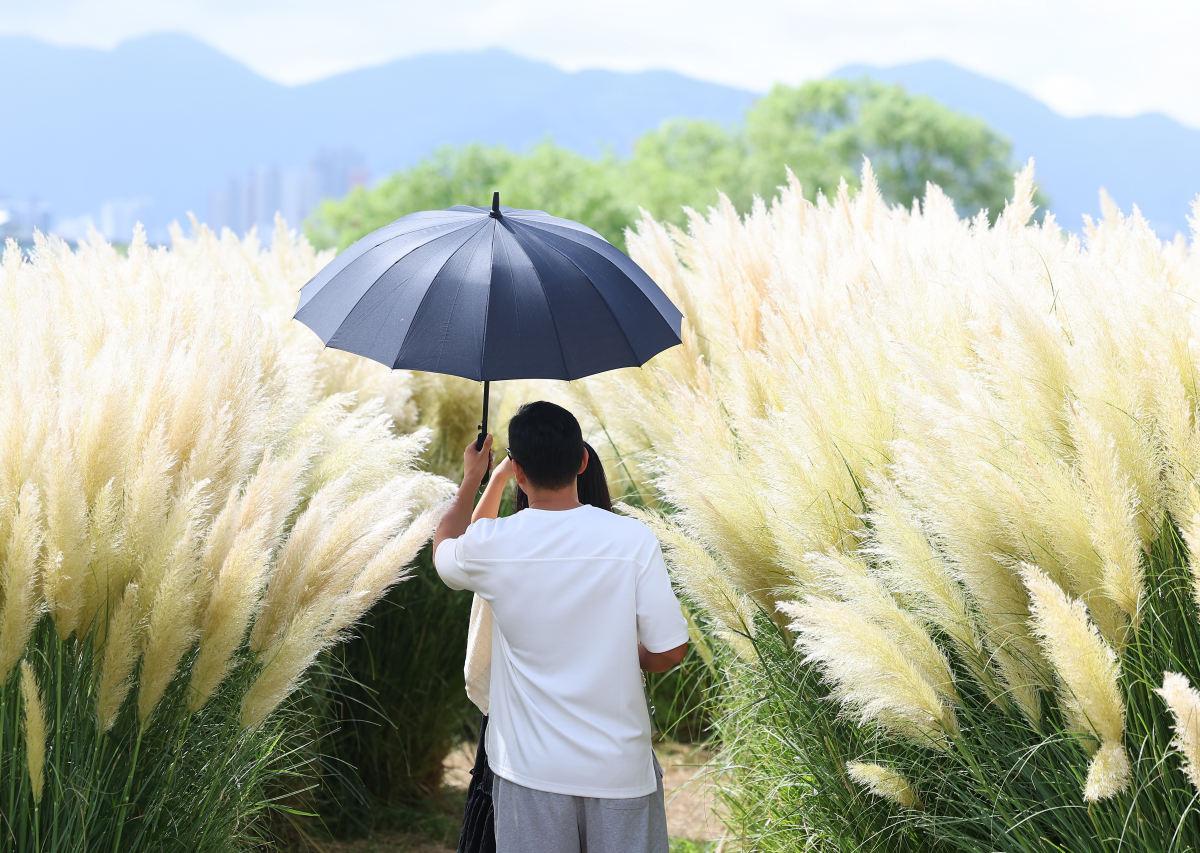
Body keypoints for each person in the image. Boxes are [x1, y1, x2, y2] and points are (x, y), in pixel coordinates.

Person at [434, 401, 689, 853]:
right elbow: (670, 651)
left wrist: (480, 477)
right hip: (620, 771)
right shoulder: (632, 539)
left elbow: (449, 547)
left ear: (520, 472)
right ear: (583, 459)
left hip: (531, 773)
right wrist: (621, 652)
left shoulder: (496, 544)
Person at [456, 441, 612, 853]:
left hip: (516, 725)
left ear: (523, 476)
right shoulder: (618, 543)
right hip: (600, 724)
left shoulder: (506, 545)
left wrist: (489, 475)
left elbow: (470, 535)